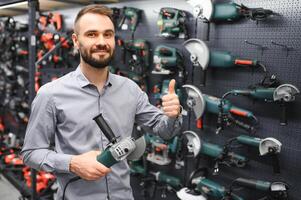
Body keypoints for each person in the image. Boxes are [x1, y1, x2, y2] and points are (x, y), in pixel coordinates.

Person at [21, 4, 182, 200]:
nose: (101, 41)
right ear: (75, 41)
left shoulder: (130, 89)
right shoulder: (51, 94)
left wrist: (173, 115)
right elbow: (31, 153)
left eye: (108, 34)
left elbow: (164, 130)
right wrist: (72, 163)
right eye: (91, 34)